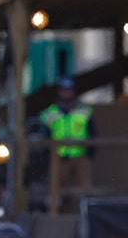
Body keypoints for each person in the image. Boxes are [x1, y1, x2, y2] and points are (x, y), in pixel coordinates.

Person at [39, 76, 96, 214]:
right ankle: (59, 217)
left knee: (83, 191)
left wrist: (89, 154)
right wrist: (47, 157)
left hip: (80, 157)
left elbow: (93, 134)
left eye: (69, 90)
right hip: (58, 158)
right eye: (64, 90)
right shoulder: (50, 113)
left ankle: (85, 217)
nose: (67, 93)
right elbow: (45, 136)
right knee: (58, 191)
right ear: (59, 92)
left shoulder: (84, 112)